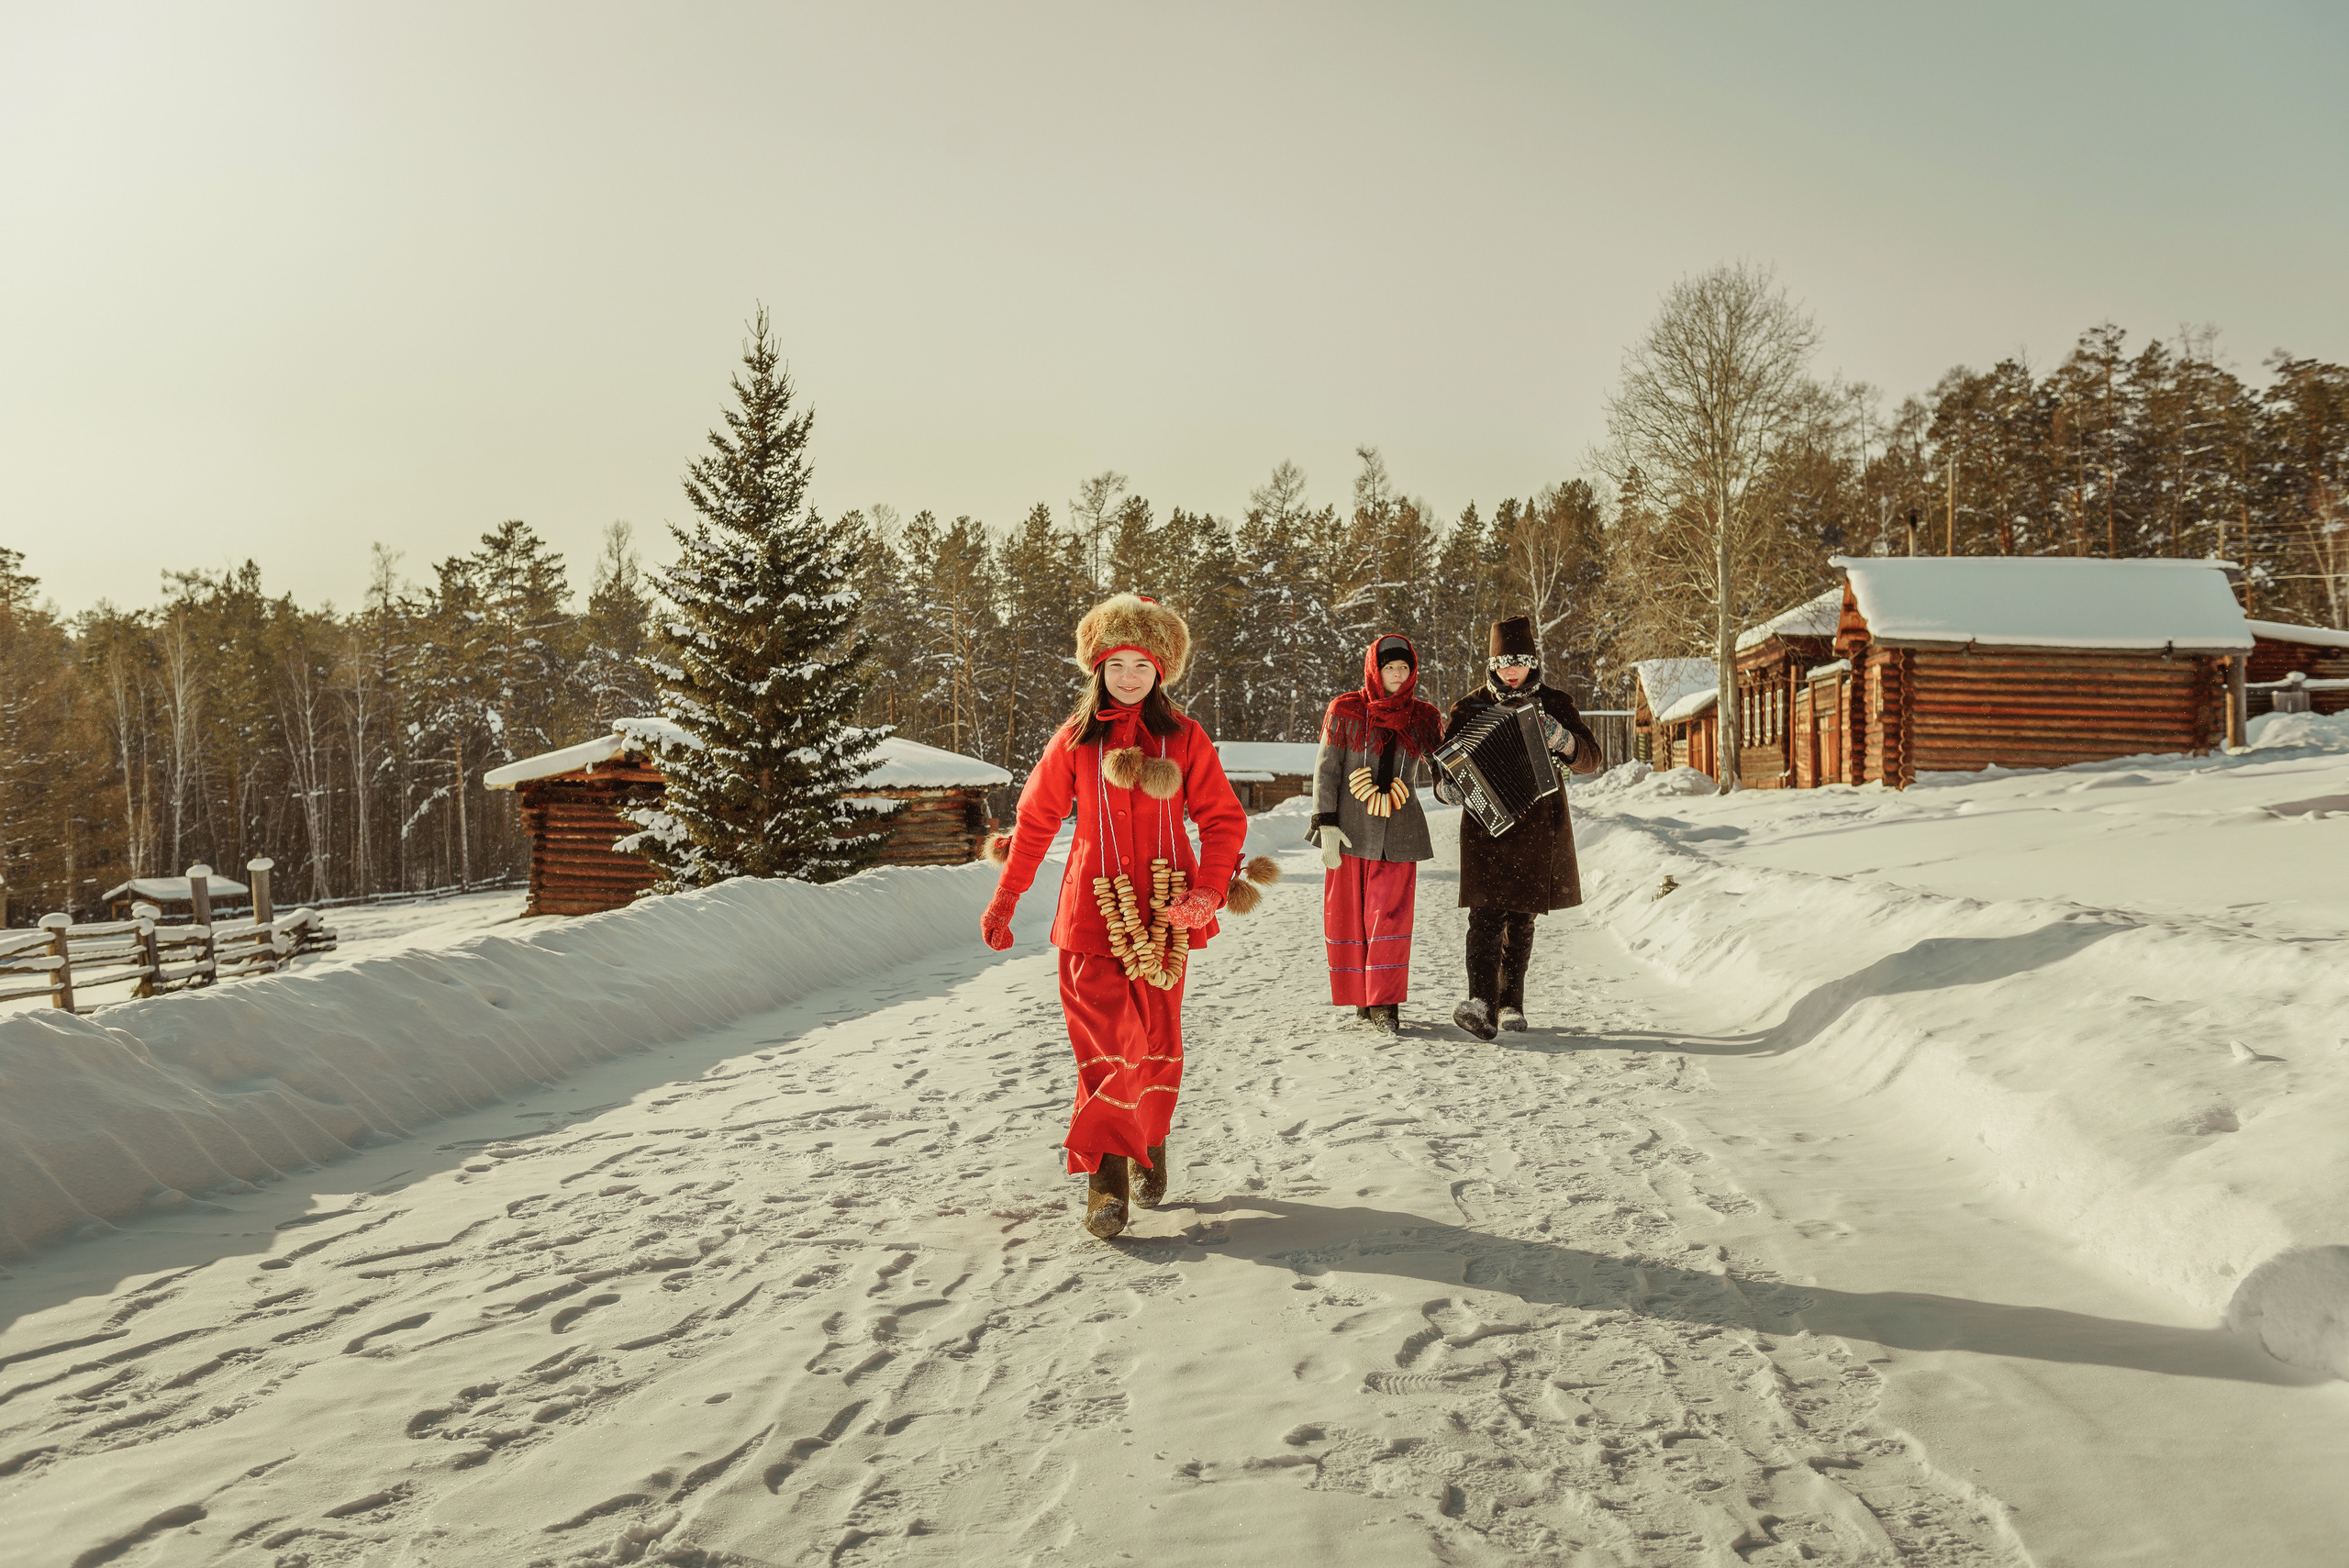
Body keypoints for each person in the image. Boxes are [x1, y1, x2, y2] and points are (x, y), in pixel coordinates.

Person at [978, 594, 1273, 1240]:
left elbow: (1223, 821)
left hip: (1166, 918)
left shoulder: (1184, 737)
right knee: (1111, 1046)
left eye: (1144, 663)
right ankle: (1105, 1181)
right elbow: (1033, 825)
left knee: (1158, 1046)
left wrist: (1208, 893)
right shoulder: (1074, 743)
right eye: (1118, 664)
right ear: (1098, 668)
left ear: (1162, 669)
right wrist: (1006, 900)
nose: (1131, 677)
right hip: (1091, 916)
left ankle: (1150, 1139)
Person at [1433, 614, 1601, 1040]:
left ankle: (1512, 1002)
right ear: (1491, 663)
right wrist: (1447, 792)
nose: (1511, 671)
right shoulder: (1468, 708)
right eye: (1503, 662)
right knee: (1485, 916)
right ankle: (1482, 1005)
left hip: (1537, 825)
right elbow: (1445, 770)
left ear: (1533, 661)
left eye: (1519, 662)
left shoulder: (1556, 703)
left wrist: (1563, 741)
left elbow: (1590, 760)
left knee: (1521, 918)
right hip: (1486, 826)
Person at [1308, 633, 1441, 1035]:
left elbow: (1445, 764)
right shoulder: (1345, 710)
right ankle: (1361, 998)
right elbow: (1327, 769)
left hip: (1400, 835)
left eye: (1404, 668)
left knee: (1391, 920)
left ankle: (1385, 1003)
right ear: (1375, 669)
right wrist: (1325, 823)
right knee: (1349, 920)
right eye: (1390, 668)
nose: (1398, 676)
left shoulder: (1424, 718)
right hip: (1349, 834)